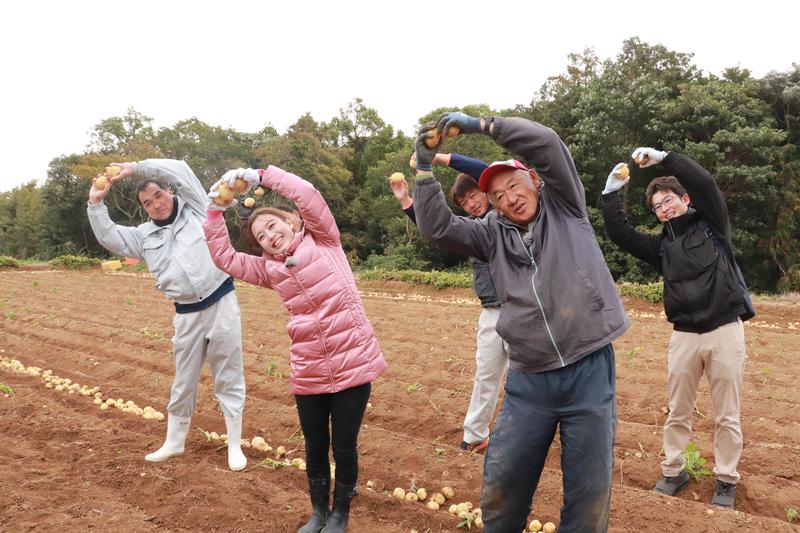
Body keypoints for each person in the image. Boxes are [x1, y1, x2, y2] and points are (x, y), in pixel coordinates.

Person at [411, 112, 629, 533]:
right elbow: (436, 226)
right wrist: (423, 171)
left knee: (588, 499)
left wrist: (482, 125)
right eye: (496, 196)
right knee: (501, 488)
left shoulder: (565, 204)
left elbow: (546, 142)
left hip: (588, 371)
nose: (508, 198)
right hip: (530, 379)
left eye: (513, 185)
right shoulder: (490, 234)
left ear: (533, 179)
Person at [203, 165, 387, 533]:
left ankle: (340, 516)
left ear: (289, 222)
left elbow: (307, 195)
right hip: (309, 369)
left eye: (273, 226)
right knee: (315, 446)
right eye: (261, 236)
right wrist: (214, 212)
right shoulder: (270, 270)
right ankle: (318, 512)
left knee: (344, 447)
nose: (270, 236)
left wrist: (262, 175)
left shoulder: (324, 240)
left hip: (352, 361)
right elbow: (225, 258)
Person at [601, 148, 754, 509]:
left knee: (726, 414)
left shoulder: (713, 226)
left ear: (684, 199)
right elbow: (621, 234)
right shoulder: (661, 247)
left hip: (724, 331)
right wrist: (610, 196)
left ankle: (727, 480)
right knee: (677, 410)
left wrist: (664, 158)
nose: (664, 208)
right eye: (657, 206)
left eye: (668, 200)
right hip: (684, 334)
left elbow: (706, 183)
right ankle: (673, 471)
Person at [86, 159, 247, 472]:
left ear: (169, 192)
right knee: (183, 379)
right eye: (148, 202)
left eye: (159, 195)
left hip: (221, 301)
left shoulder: (200, 208)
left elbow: (182, 171)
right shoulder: (144, 237)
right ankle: (174, 441)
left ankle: (234, 445)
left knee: (228, 374)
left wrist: (138, 167)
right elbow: (109, 236)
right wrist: (95, 201)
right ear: (144, 208)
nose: (156, 204)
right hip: (186, 313)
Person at [390, 152, 508, 453]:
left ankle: (520, 437)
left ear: (486, 189)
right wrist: (407, 201)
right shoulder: (473, 231)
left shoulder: (509, 215)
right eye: (464, 202)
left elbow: (486, 169)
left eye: (473, 195)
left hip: (525, 309)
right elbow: (437, 228)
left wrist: (439, 158)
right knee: (486, 375)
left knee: (529, 380)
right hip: (491, 312)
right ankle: (475, 435)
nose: (471, 204)